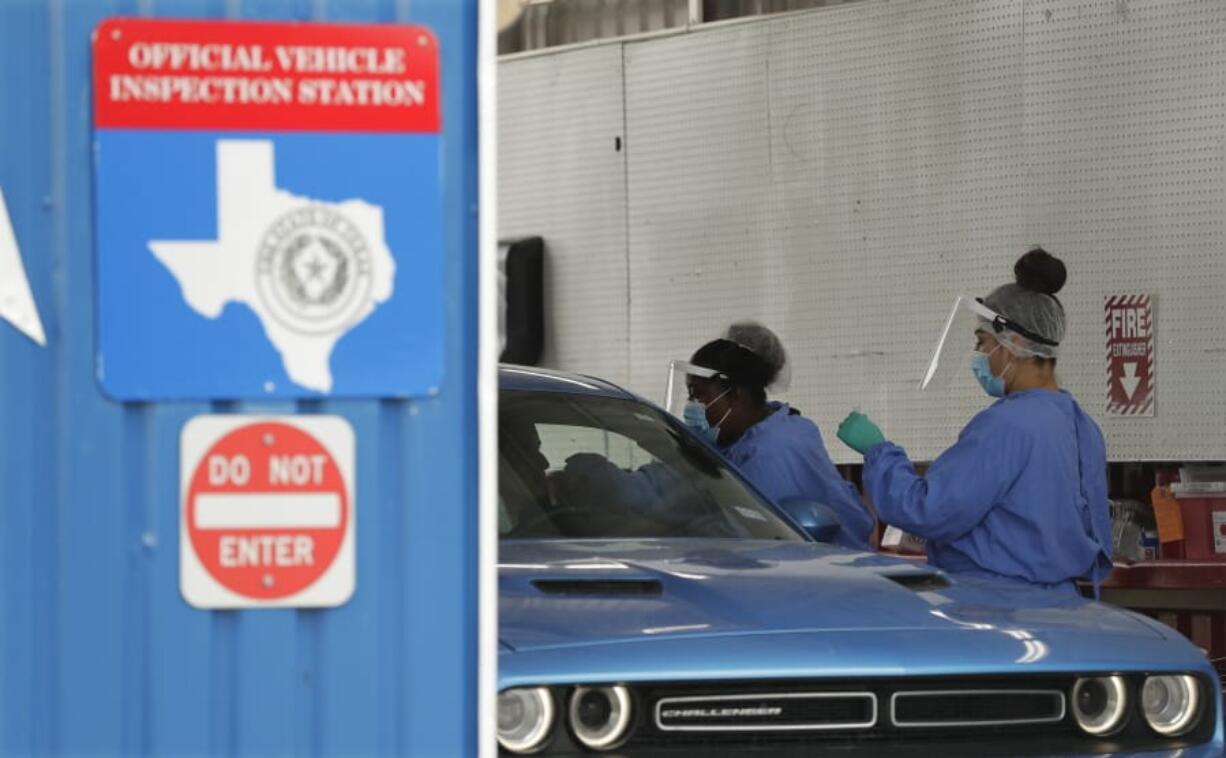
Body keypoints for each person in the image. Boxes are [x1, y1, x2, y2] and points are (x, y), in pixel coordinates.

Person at [836, 248, 1113, 594]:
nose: (979, 356)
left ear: (1013, 344)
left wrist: (878, 451)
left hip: (998, 606)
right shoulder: (1080, 425)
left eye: (983, 342)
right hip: (1062, 603)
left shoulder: (1007, 426)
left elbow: (929, 511)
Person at [682, 322, 876, 550]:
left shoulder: (773, 451)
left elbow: (740, 536)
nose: (691, 406)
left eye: (700, 396)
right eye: (690, 395)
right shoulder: (745, 436)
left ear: (735, 395)